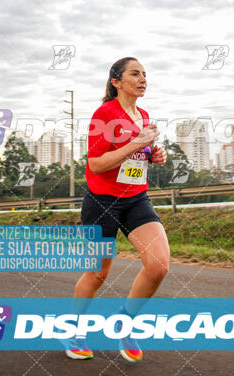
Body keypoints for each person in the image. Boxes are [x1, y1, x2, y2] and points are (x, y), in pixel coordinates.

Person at [65, 57, 169, 362]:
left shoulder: (144, 115)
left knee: (159, 265)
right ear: (116, 82)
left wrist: (153, 154)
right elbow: (96, 164)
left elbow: (139, 155)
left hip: (136, 199)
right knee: (98, 274)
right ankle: (73, 331)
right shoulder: (105, 115)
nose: (143, 79)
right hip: (102, 202)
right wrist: (136, 143)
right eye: (135, 74)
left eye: (145, 74)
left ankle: (125, 321)